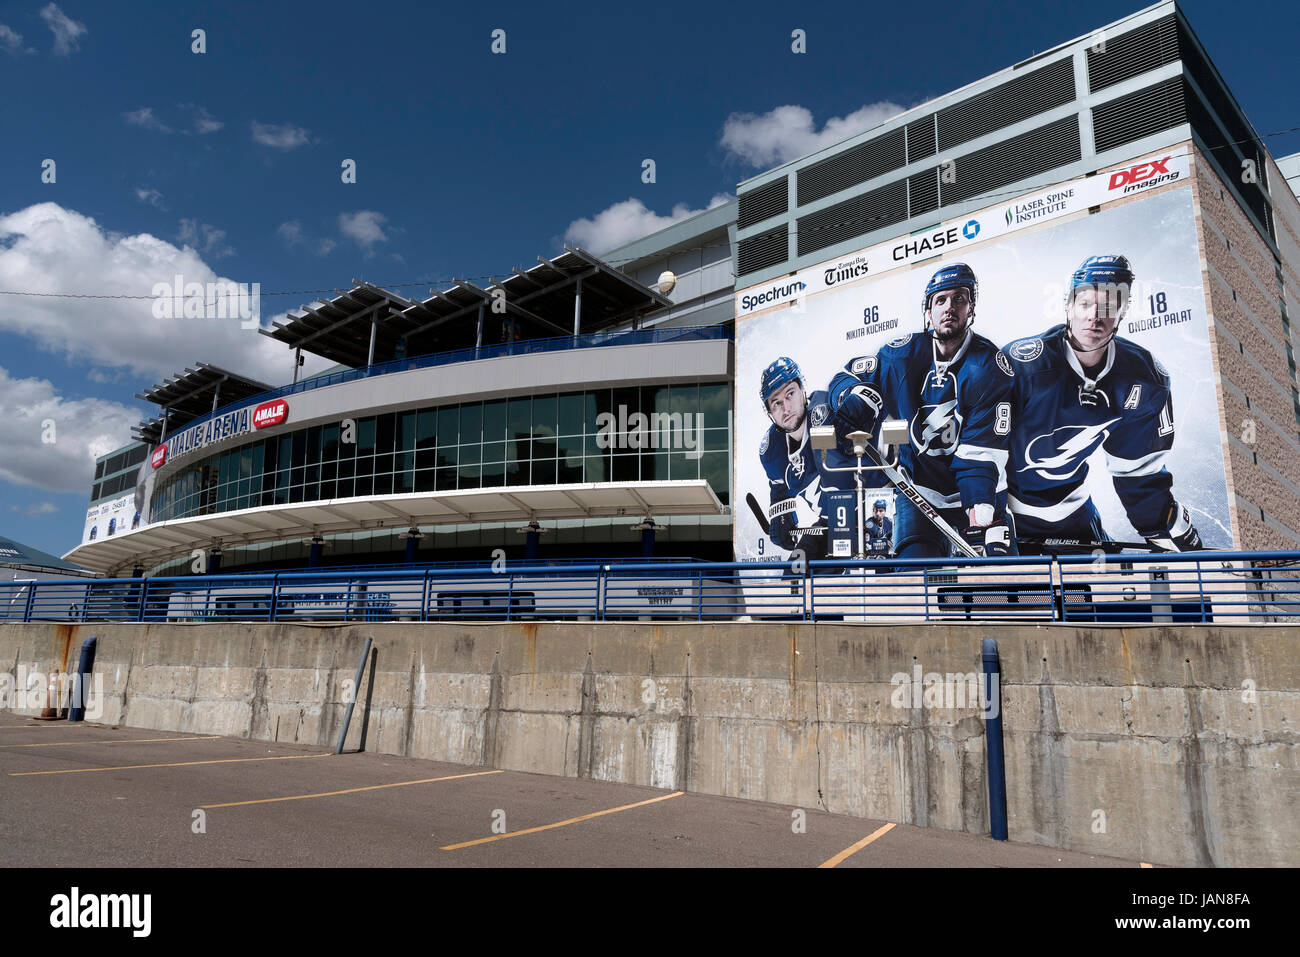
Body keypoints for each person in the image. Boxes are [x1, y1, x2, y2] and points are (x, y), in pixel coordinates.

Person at [1000, 255, 1201, 553]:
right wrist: (984, 517)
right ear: (1067, 306)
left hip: (1073, 511)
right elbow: (980, 452)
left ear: (1123, 312)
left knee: (1094, 595)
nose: (1095, 316)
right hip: (1006, 514)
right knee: (1010, 597)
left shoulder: (1144, 378)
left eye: (1108, 306)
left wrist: (1162, 523)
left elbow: (1137, 470)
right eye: (1085, 304)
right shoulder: (1020, 365)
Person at [828, 262, 1015, 558]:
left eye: (958, 299)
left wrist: (980, 512)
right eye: (940, 300)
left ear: (971, 308)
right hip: (919, 494)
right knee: (913, 578)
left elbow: (981, 455)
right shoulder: (899, 356)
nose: (948, 307)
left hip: (983, 493)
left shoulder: (990, 367)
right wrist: (853, 395)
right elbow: (846, 375)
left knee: (998, 585)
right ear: (928, 311)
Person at [758, 356, 854, 561]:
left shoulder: (829, 410)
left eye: (790, 394)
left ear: (803, 390)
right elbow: (779, 490)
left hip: (865, 516)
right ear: (770, 413)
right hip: (827, 524)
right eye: (776, 403)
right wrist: (780, 516)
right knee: (793, 575)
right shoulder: (772, 450)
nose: (785, 408)